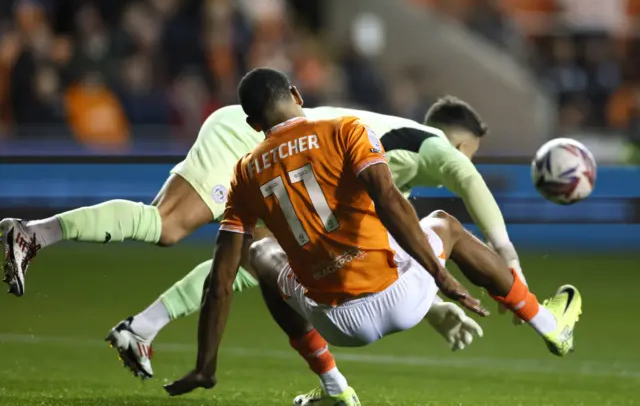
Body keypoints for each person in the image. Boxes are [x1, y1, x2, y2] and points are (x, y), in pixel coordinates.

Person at [1, 98, 513, 376]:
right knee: (170, 226)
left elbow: (372, 267)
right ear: (458, 141)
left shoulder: (390, 169)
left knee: (252, 254)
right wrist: (505, 253)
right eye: (471, 152)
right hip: (254, 136)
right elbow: (468, 181)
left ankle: (139, 325)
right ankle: (35, 236)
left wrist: (432, 306)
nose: (466, 161)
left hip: (265, 142)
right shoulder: (428, 150)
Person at [162, 68, 582, 406]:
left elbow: (220, 281)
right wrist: (440, 274)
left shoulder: (244, 173)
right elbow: (389, 200)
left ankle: (335, 389)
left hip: (336, 323)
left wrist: (206, 364)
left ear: (254, 124)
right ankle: (549, 326)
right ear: (296, 94)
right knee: (444, 223)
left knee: (259, 255)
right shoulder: (344, 128)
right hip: (401, 297)